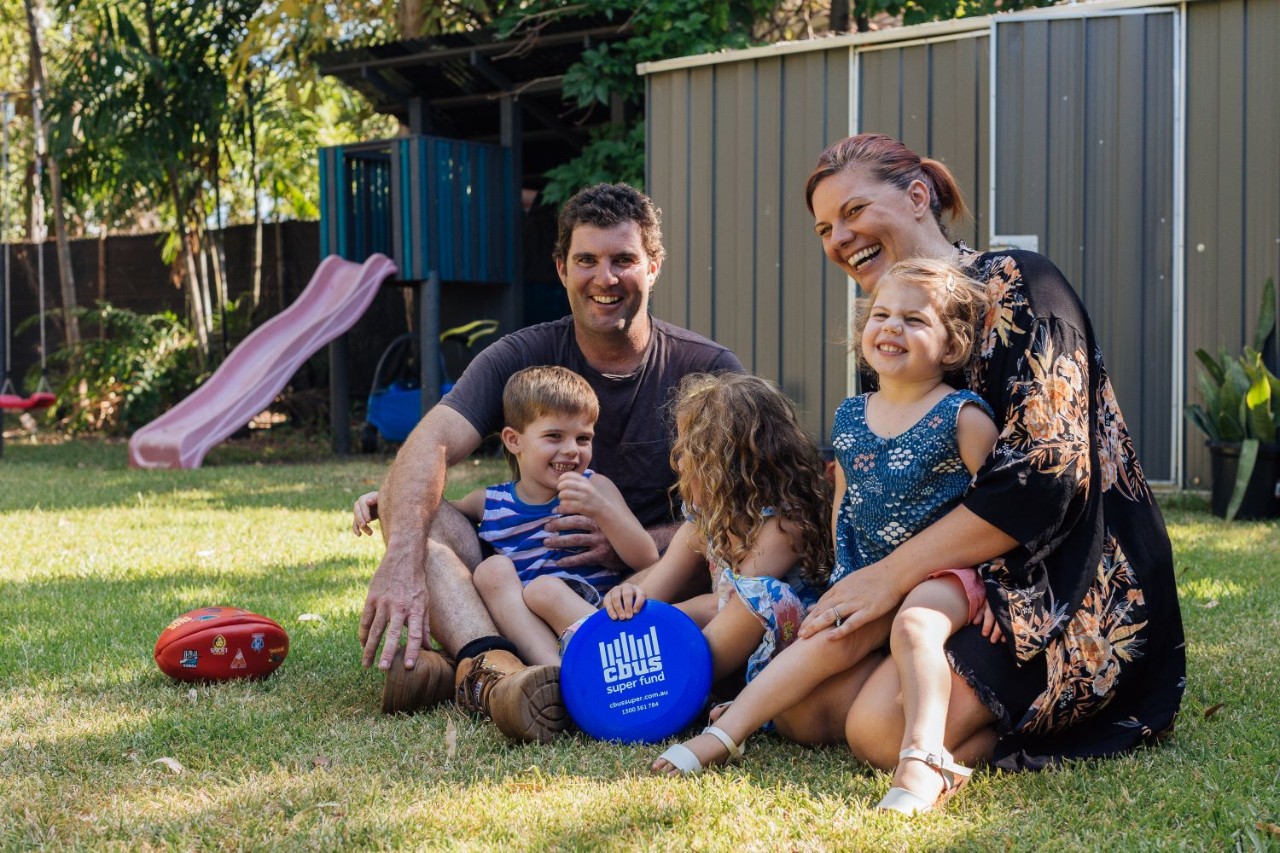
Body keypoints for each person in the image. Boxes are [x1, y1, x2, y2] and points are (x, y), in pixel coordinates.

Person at [774, 133, 1184, 806]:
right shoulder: (885, 333)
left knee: (877, 729)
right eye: (824, 228)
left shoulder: (1023, 283)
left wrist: (890, 578)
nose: (839, 238)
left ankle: (960, 735)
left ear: (916, 197)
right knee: (802, 707)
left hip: (1058, 581)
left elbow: (1044, 477)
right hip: (929, 588)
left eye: (852, 212)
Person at [358, 182, 744, 742]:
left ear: (654, 266)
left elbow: (744, 509)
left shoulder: (705, 369)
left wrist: (635, 540)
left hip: (650, 586)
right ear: (561, 268)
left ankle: (466, 673)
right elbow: (431, 443)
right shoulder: (521, 357)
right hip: (522, 586)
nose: (604, 279)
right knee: (421, 516)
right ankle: (496, 674)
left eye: (623, 260)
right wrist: (399, 554)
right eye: (586, 260)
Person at [648, 259, 1003, 792]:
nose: (891, 327)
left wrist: (999, 587)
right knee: (828, 637)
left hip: (941, 576)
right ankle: (727, 735)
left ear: (951, 346)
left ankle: (922, 755)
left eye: (914, 320)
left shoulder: (964, 417)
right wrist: (844, 576)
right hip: (868, 575)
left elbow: (999, 506)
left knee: (914, 628)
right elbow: (844, 500)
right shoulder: (852, 416)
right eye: (881, 314)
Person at [538, 372, 830, 707]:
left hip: (784, 661)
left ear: (724, 465)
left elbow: (743, 603)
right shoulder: (701, 527)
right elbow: (652, 595)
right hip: (719, 654)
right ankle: (604, 668)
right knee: (665, 612)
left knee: (755, 600)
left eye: (687, 450)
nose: (677, 461)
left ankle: (672, 686)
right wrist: (628, 596)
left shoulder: (785, 526)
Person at [355, 366, 659, 667]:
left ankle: (572, 669)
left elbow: (646, 557)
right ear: (514, 440)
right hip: (521, 627)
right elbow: (434, 513)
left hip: (588, 616)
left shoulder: (597, 487)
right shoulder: (491, 502)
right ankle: (548, 674)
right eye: (554, 436)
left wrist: (602, 510)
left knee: (544, 589)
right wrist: (388, 501)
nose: (571, 451)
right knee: (492, 571)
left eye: (583, 439)